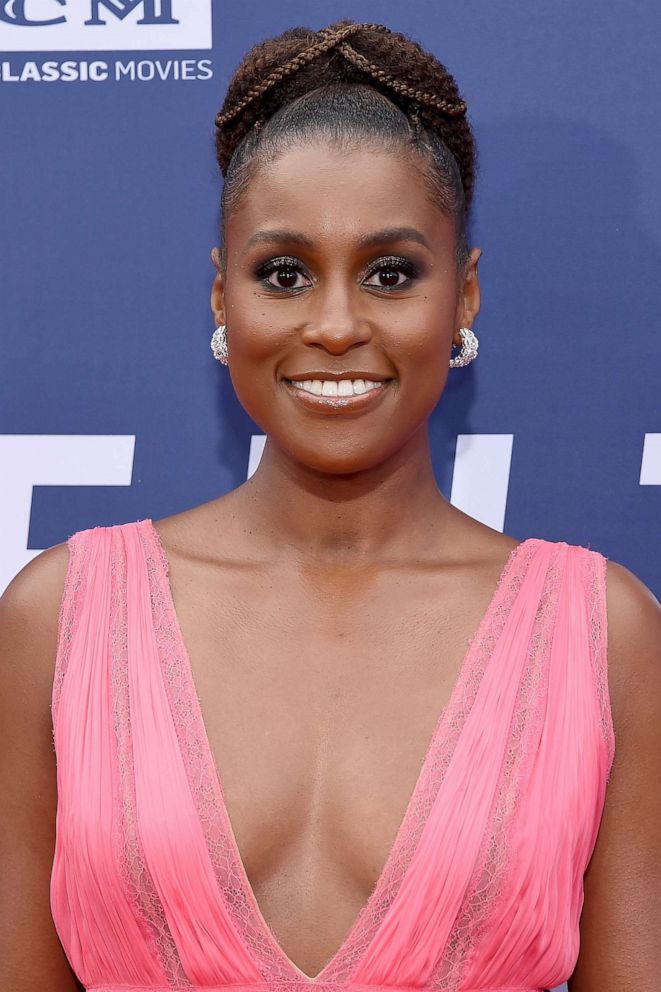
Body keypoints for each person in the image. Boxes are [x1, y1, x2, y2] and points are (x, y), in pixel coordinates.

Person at [1, 18, 659, 992]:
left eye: (391, 273)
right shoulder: (58, 617)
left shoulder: (601, 633)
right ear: (222, 296)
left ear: (464, 295)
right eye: (284, 273)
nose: (337, 324)